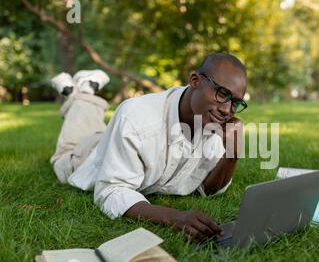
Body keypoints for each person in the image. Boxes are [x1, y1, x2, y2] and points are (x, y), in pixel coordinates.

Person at [50, 53, 248, 241]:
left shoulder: (214, 125)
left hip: (121, 139)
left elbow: (209, 188)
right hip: (86, 154)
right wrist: (173, 217)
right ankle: (80, 93)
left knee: (100, 129)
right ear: (195, 81)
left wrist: (232, 154)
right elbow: (111, 190)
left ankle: (82, 91)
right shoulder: (136, 117)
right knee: (70, 145)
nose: (226, 110)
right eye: (222, 94)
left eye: (235, 103)